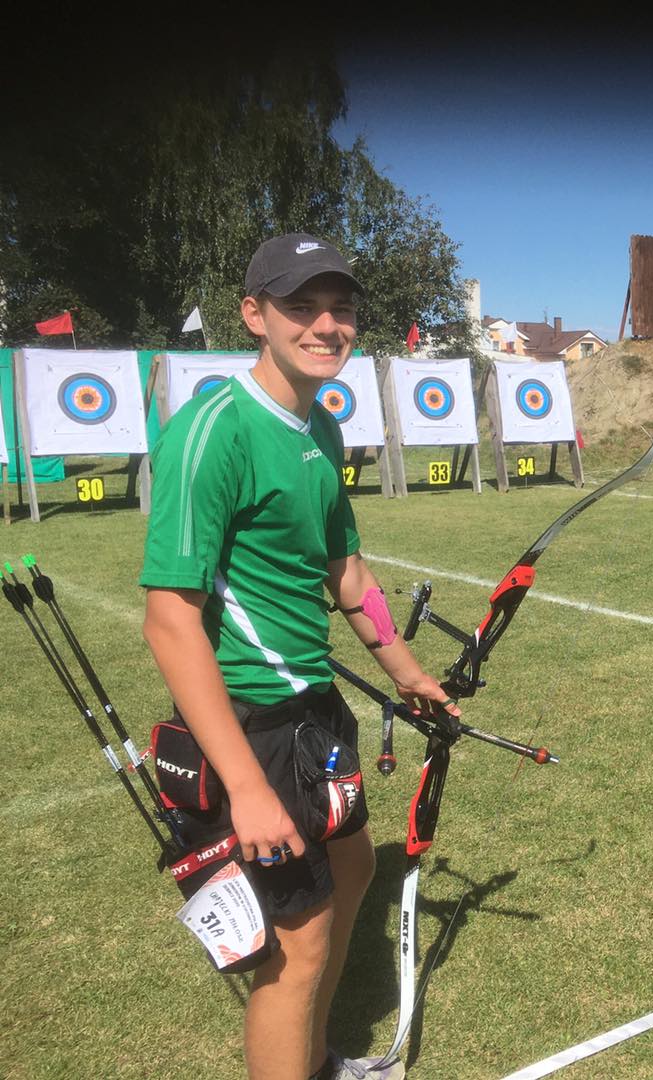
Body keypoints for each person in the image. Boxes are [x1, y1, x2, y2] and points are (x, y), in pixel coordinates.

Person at [141, 233, 455, 1080]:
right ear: (255, 315)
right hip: (253, 723)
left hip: (315, 713)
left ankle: (314, 1059)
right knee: (295, 953)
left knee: (353, 863)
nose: (326, 325)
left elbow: (345, 569)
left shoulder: (320, 427)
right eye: (301, 307)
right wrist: (243, 787)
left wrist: (405, 671)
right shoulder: (212, 432)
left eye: (341, 309)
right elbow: (170, 621)